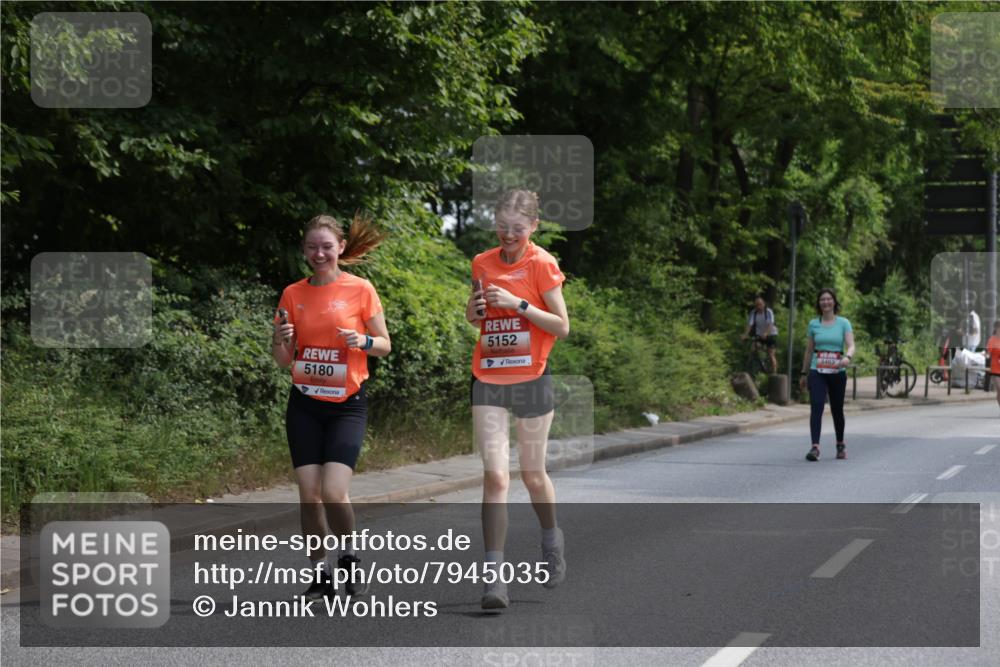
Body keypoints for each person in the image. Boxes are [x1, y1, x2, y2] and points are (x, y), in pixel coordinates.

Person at [272, 213, 391, 600]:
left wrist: (362, 341)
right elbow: (283, 360)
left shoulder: (361, 289)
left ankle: (349, 555)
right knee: (309, 495)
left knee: (334, 492)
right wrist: (280, 338)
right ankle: (321, 574)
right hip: (305, 404)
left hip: (346, 405)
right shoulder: (292, 294)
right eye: (312, 247)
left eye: (326, 246)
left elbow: (385, 344)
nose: (319, 253)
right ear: (304, 250)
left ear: (340, 247)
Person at [465, 190, 570, 611]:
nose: (508, 235)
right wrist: (474, 311)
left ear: (533, 226)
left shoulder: (542, 263)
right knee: (495, 477)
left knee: (532, 474)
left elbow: (561, 326)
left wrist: (518, 303)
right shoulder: (481, 262)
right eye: (502, 227)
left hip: (531, 377)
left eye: (517, 228)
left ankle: (551, 539)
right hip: (488, 376)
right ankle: (494, 578)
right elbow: (474, 317)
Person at [798, 287, 855, 461]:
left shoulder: (843, 323)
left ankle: (840, 444)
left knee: (837, 409)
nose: (825, 302)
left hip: (837, 371)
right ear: (819, 303)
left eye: (829, 299)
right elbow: (809, 351)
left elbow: (851, 345)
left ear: (834, 302)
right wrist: (804, 373)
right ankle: (815, 447)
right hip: (817, 370)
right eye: (822, 299)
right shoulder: (813, 324)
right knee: (816, 406)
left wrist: (847, 357)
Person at [741, 296, 779, 373]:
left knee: (771, 354)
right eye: (756, 305)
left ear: (764, 304)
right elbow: (749, 325)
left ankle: (774, 372)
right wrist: (745, 334)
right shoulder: (753, 313)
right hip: (759, 334)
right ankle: (756, 365)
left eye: (760, 304)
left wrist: (766, 333)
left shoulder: (768, 312)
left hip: (771, 333)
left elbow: (770, 324)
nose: (758, 307)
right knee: (753, 347)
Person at [987, 321, 1000, 412]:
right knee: (999, 389)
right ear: (996, 329)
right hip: (995, 369)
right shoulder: (992, 340)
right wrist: (986, 355)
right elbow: (988, 353)